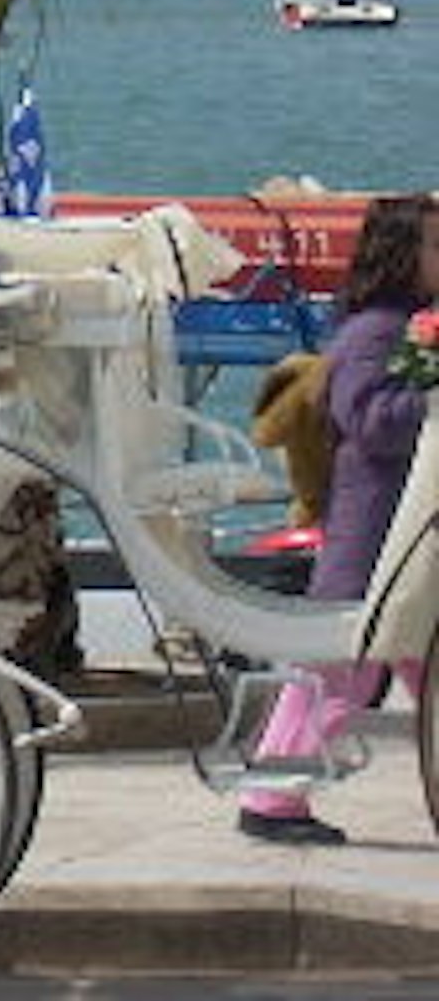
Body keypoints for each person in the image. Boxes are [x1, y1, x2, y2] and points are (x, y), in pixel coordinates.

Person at [232, 191, 434, 848]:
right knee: (339, 676)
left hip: (401, 541)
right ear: (402, 256)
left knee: (369, 671)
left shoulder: (403, 325)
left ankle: (273, 793)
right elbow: (370, 420)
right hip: (376, 539)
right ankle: (271, 796)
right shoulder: (376, 330)